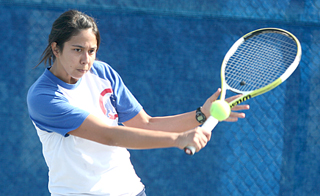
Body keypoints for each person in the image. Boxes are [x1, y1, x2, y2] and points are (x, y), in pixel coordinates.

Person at [27, 10, 249, 196]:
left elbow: (145, 124)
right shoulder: (44, 98)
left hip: (128, 189)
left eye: (91, 51)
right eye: (77, 50)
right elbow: (109, 135)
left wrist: (201, 114)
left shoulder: (103, 73)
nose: (86, 60)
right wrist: (177, 139)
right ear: (56, 48)